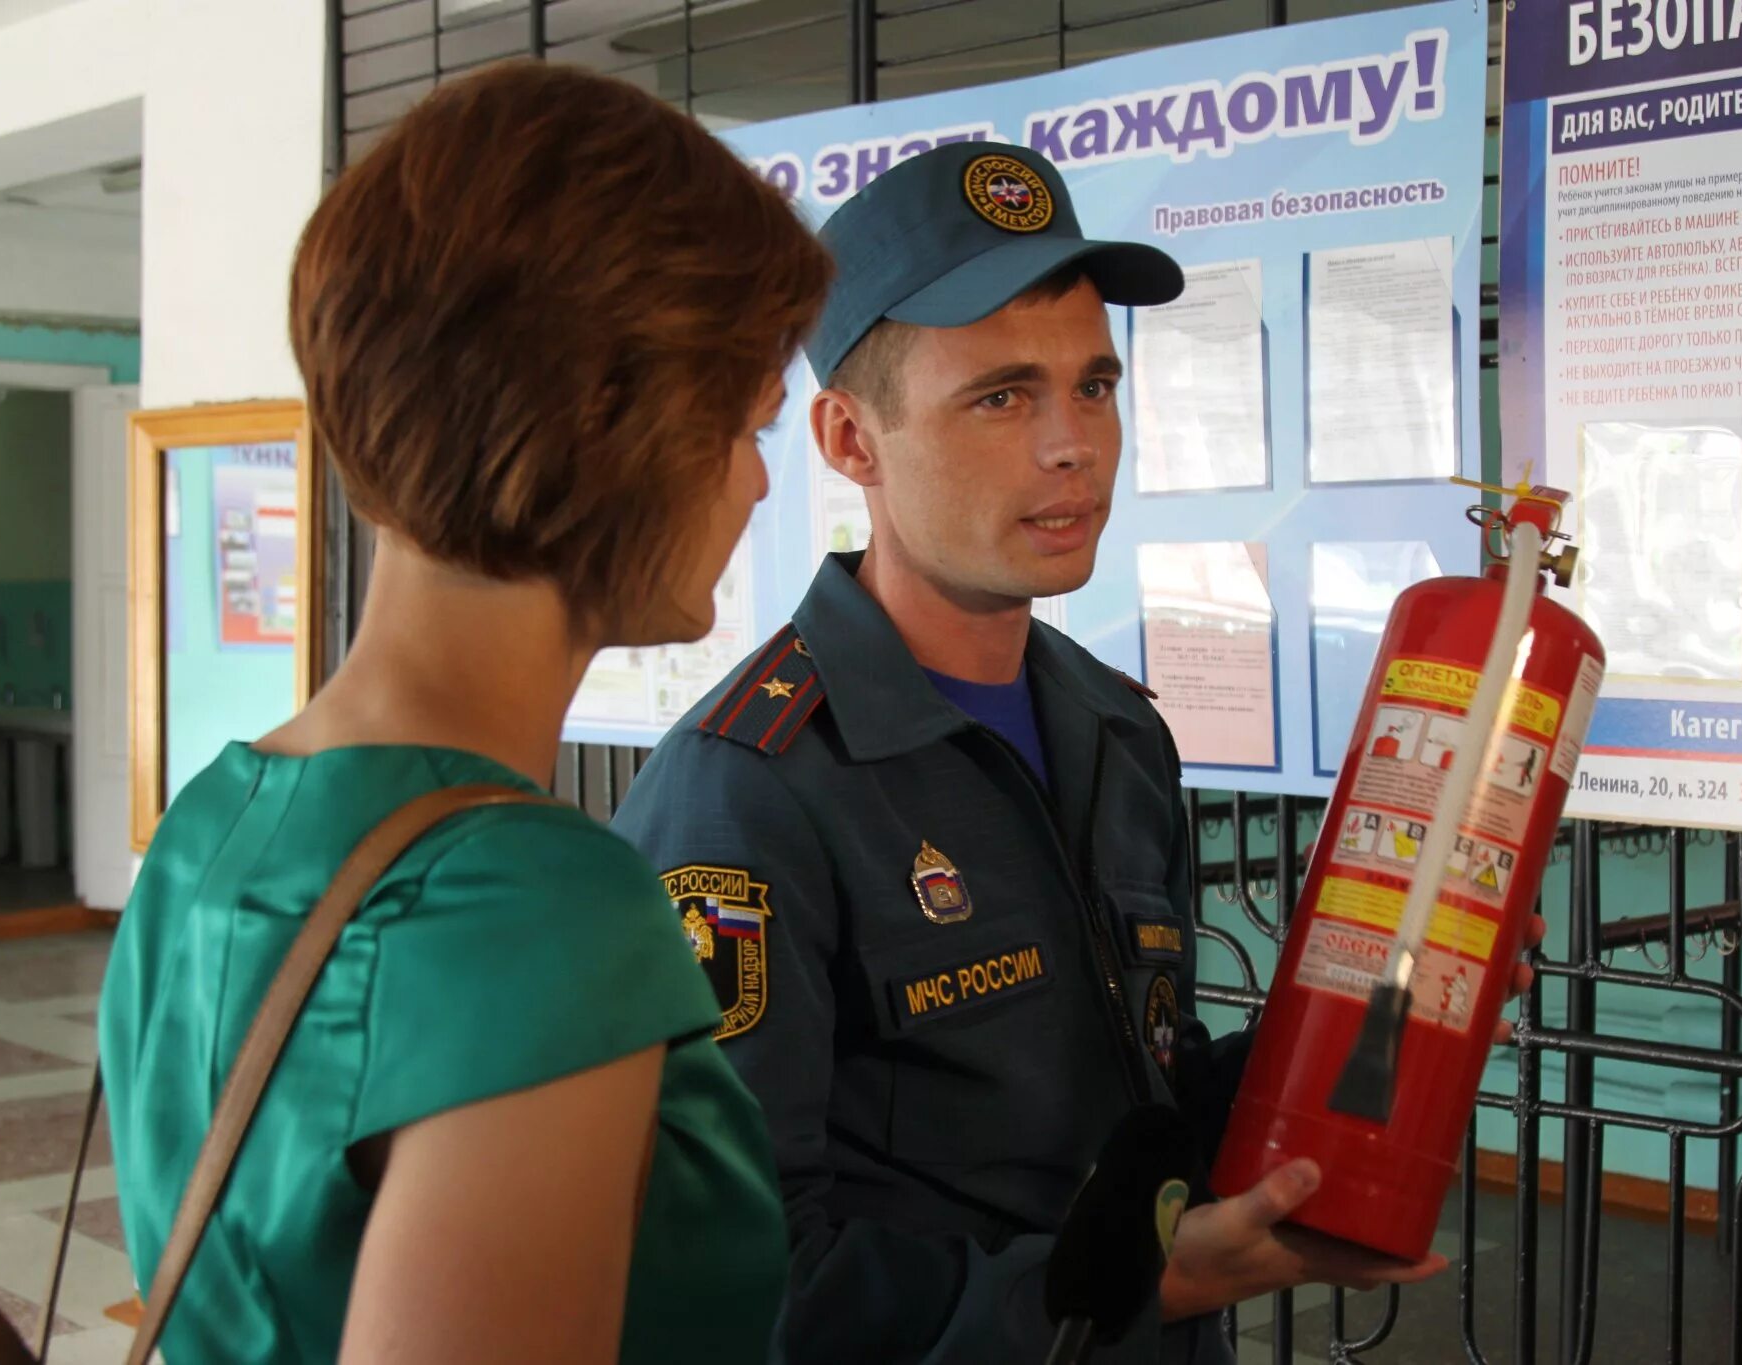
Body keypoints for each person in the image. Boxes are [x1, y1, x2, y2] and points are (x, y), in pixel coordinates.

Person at [613, 141, 1540, 1363]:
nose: (1072, 445)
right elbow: (735, 1281)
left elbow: (1134, 1107)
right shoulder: (749, 789)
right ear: (848, 439)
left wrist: (1378, 1014)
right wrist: (1119, 1289)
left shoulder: (1115, 729)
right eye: (1001, 396)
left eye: (1092, 387)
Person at [99, 63, 829, 1364]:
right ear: (617, 413)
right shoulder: (536, 904)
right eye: (747, 422)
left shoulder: (214, 817)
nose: (760, 483)